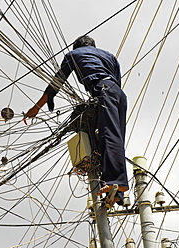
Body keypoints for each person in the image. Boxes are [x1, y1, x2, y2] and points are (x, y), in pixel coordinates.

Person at [24, 35, 129, 203]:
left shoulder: (73, 55)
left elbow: (57, 83)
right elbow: (116, 80)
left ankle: (117, 182)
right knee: (115, 137)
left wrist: (36, 108)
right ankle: (116, 192)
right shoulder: (110, 56)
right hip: (119, 94)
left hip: (103, 90)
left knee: (107, 134)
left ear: (76, 47)